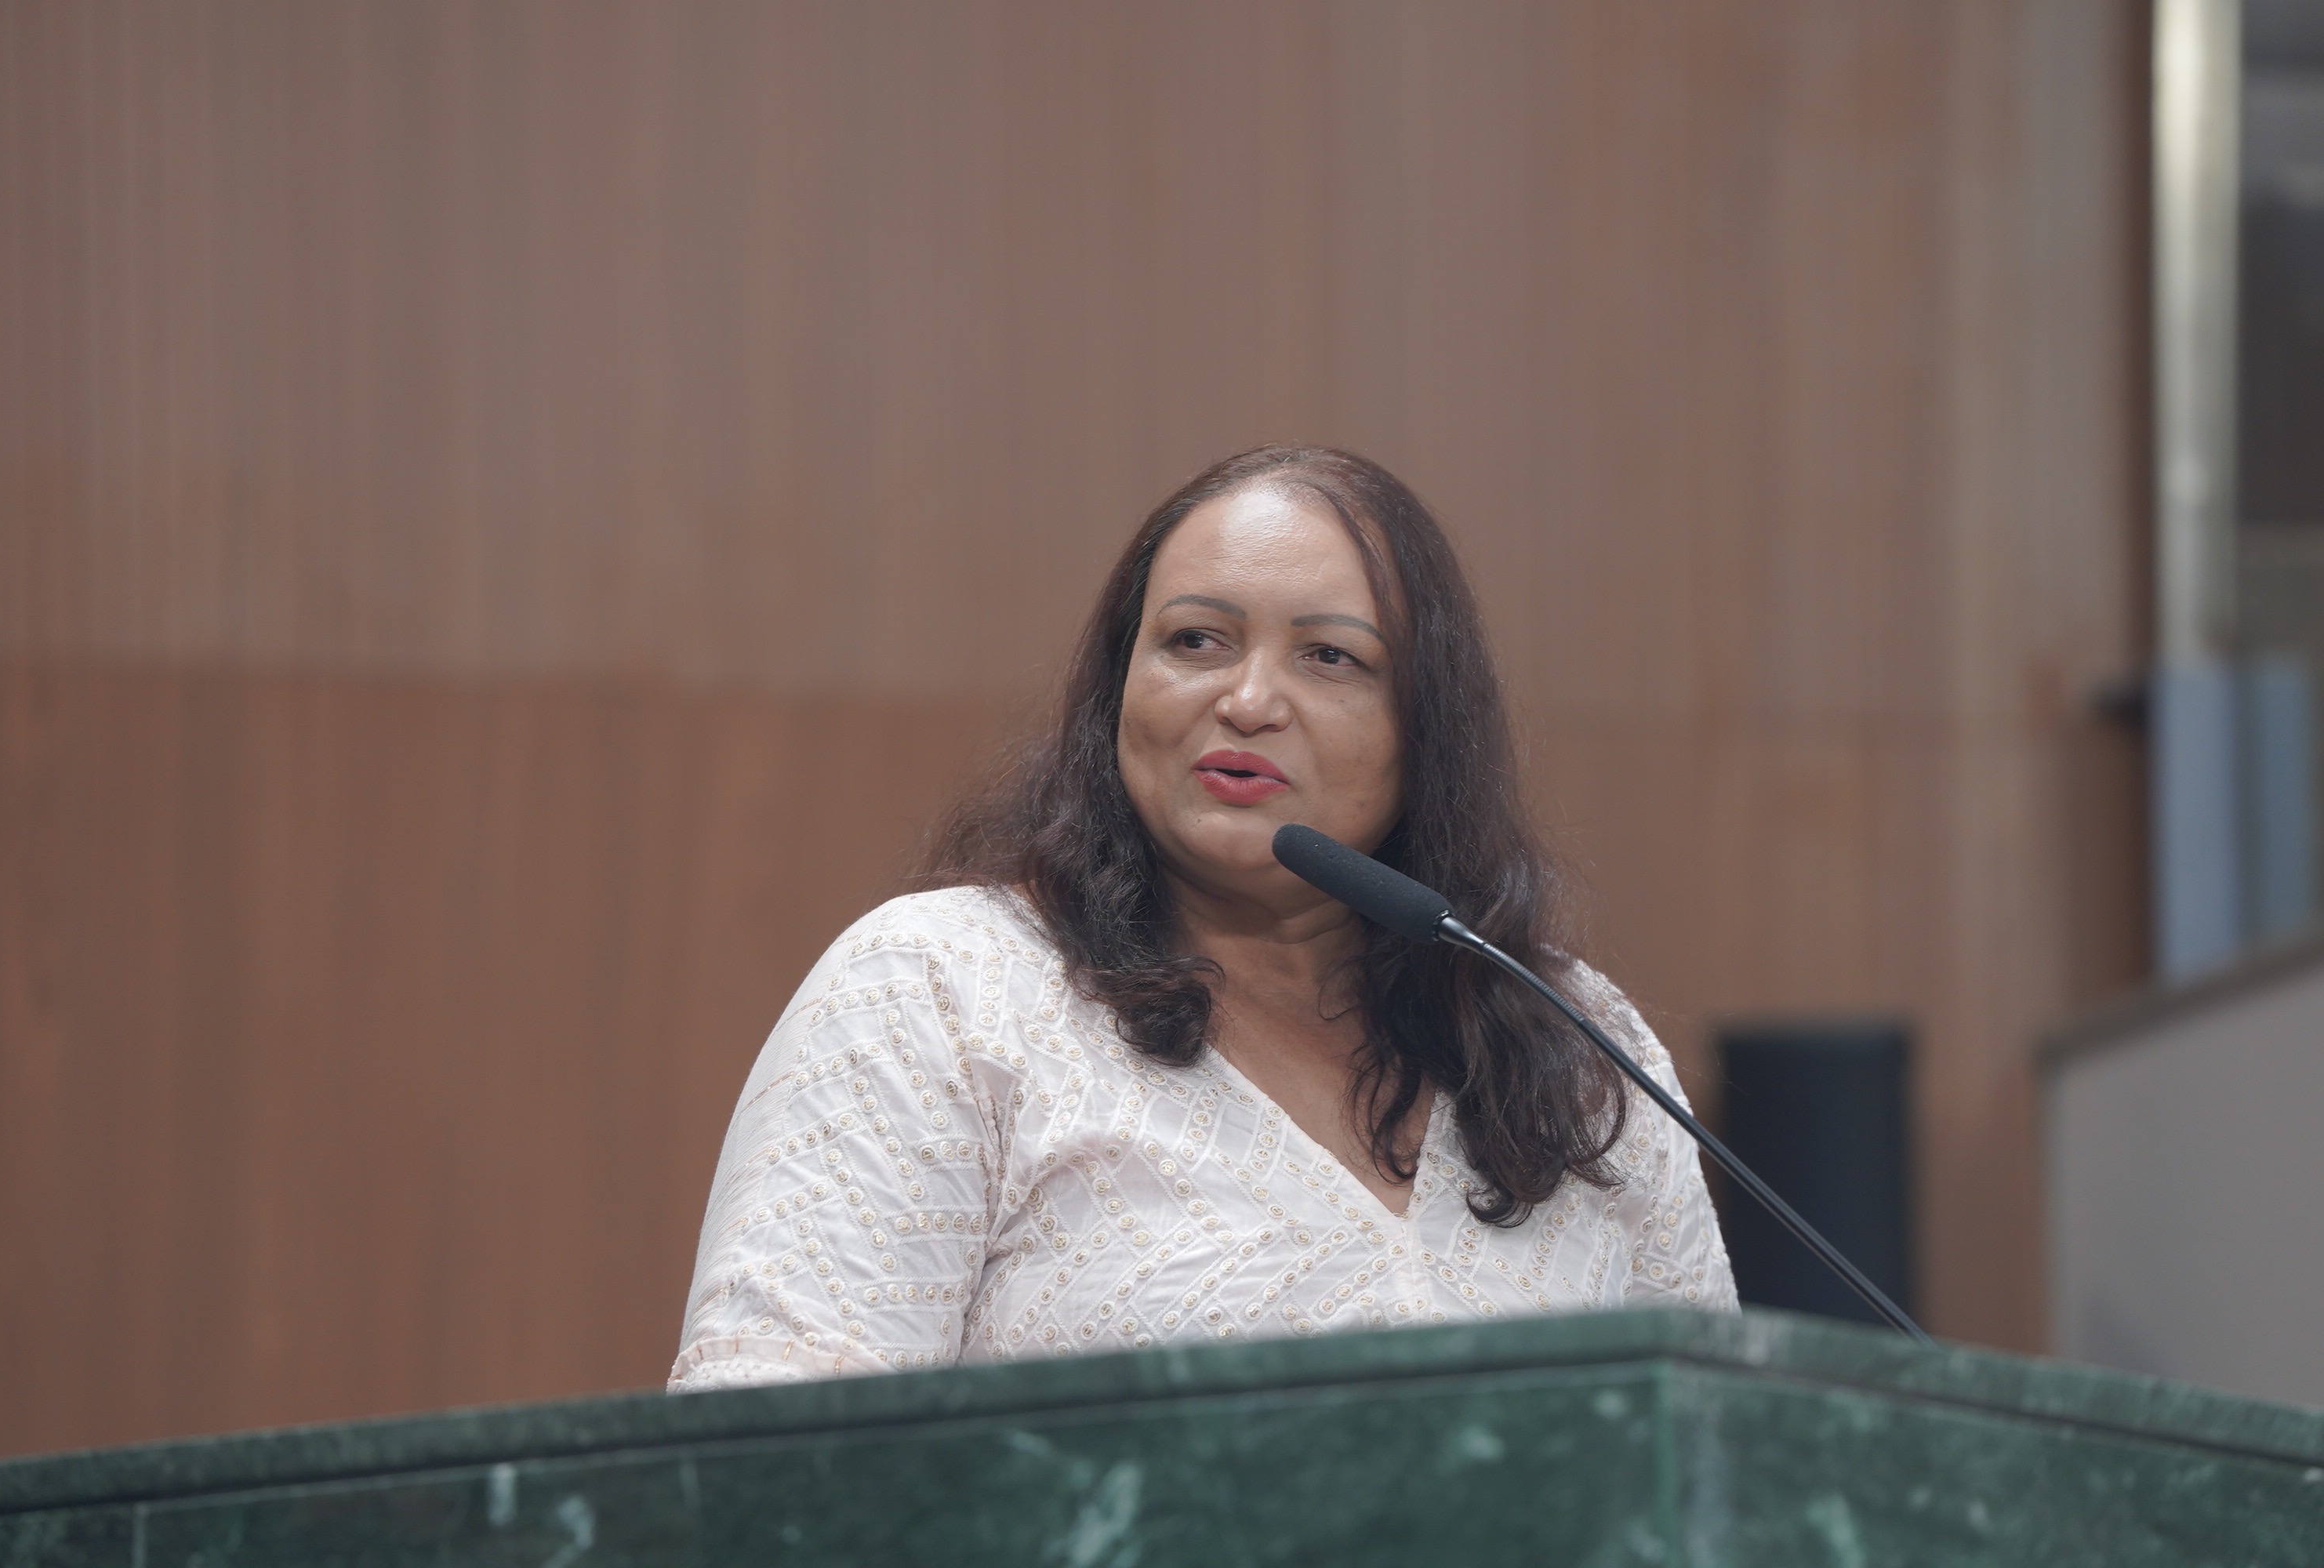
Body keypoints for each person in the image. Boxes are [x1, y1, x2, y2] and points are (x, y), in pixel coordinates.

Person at [670, 445, 1734, 1389]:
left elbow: (1720, 1465)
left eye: (1330, 657)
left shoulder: (1575, 1042)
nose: (1248, 700)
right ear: (1119, 690)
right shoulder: (945, 986)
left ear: (1428, 729)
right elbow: (769, 1454)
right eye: (1195, 641)